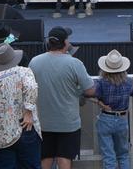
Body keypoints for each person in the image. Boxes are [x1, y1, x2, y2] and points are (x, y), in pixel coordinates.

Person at [30, 27, 95, 169]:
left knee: (45, 158)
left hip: (43, 122)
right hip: (68, 123)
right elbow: (90, 90)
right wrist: (77, 90)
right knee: (64, 158)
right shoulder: (74, 63)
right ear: (65, 42)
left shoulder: (34, 62)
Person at [0, 43, 41, 169]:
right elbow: (32, 87)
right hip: (24, 126)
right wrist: (28, 111)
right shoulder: (24, 71)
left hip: (0, 133)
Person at [93, 50, 133, 169]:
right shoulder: (128, 82)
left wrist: (101, 104)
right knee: (123, 154)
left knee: (108, 155)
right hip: (122, 119)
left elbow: (94, 95)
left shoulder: (101, 83)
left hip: (106, 118)